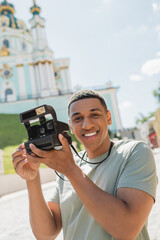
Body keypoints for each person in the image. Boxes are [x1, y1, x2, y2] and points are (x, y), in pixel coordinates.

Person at [12, 90, 157, 240]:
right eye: (77, 118)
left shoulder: (134, 152)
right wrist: (32, 178)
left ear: (108, 118)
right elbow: (45, 234)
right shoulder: (67, 167)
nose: (86, 125)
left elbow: (126, 230)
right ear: (71, 127)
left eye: (94, 115)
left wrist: (71, 170)